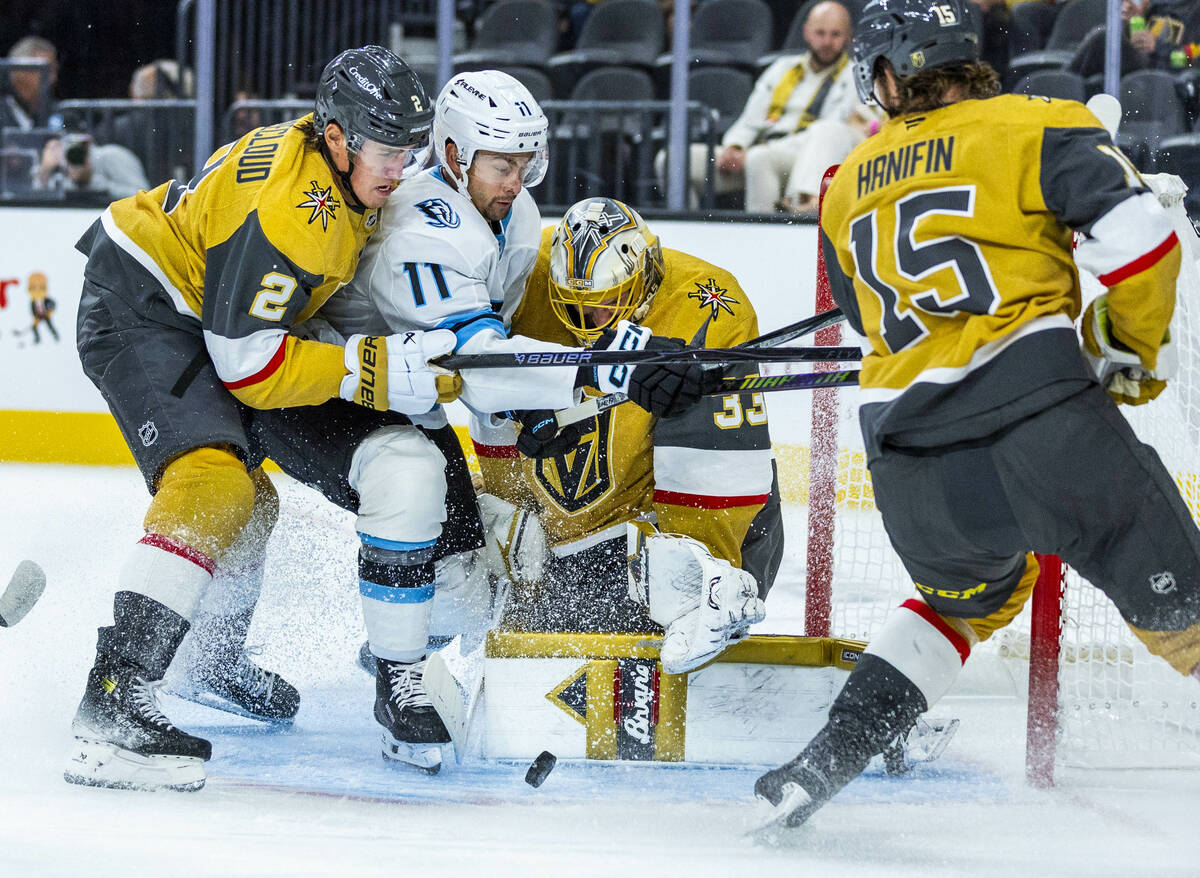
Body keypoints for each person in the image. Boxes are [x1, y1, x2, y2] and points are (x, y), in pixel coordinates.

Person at [753, 0, 1199, 828]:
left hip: (910, 465)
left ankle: (824, 761)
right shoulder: (1040, 123)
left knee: (956, 602)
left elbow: (860, 315)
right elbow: (1140, 241)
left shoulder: (847, 181)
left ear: (889, 75)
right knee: (1190, 612)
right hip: (1044, 424)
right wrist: (1124, 344)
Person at [63, 45, 459, 793]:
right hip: (139, 304)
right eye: (384, 149)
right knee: (215, 487)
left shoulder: (338, 173)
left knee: (253, 501)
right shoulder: (287, 210)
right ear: (338, 138)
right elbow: (250, 365)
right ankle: (112, 703)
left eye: (409, 150)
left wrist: (397, 347)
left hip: (183, 305)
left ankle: (207, 659)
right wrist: (369, 370)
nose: (397, 169)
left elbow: (315, 296)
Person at [317, 71, 713, 769]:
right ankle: (399, 677)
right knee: (429, 520)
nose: (515, 179)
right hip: (336, 388)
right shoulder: (418, 228)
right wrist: (616, 361)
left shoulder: (517, 215)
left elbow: (485, 363)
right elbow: (476, 357)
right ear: (451, 153)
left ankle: (412, 649)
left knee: (471, 567)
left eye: (526, 163)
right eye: (501, 163)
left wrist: (516, 414)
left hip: (411, 387)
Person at [469, 196, 782, 672]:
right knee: (467, 521)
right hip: (573, 544)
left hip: (667, 535)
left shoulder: (708, 302)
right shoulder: (526, 276)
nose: (591, 322)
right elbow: (469, 366)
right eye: (575, 308)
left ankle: (703, 594)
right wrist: (515, 404)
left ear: (647, 274)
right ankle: (427, 631)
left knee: (697, 390)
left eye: (605, 305)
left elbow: (731, 462)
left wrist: (696, 569)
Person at [655, 1, 860, 212]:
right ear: (807, 32)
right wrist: (735, 146)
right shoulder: (782, 68)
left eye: (835, 35)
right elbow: (751, 117)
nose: (826, 42)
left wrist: (761, 150)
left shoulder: (854, 77)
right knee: (672, 160)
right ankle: (690, 234)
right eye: (820, 33)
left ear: (848, 36)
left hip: (802, 158)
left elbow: (828, 135)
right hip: (756, 149)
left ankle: (766, 239)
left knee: (759, 159)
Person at [1068, 0, 1200, 79]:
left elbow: (1194, 56)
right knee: (1105, 39)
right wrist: (1132, 21)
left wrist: (1158, 46)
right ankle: (1059, 93)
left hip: (1171, 78)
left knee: (1102, 38)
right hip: (1143, 69)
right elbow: (1138, 41)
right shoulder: (1156, 4)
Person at [36, 133, 149, 200]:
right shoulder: (60, 165)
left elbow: (145, 196)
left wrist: (104, 187)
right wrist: (44, 172)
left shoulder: (111, 156)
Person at [1, 35, 59, 131]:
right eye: (45, 71)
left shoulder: (58, 113)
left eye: (53, 71)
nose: (53, 79)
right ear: (20, 72)